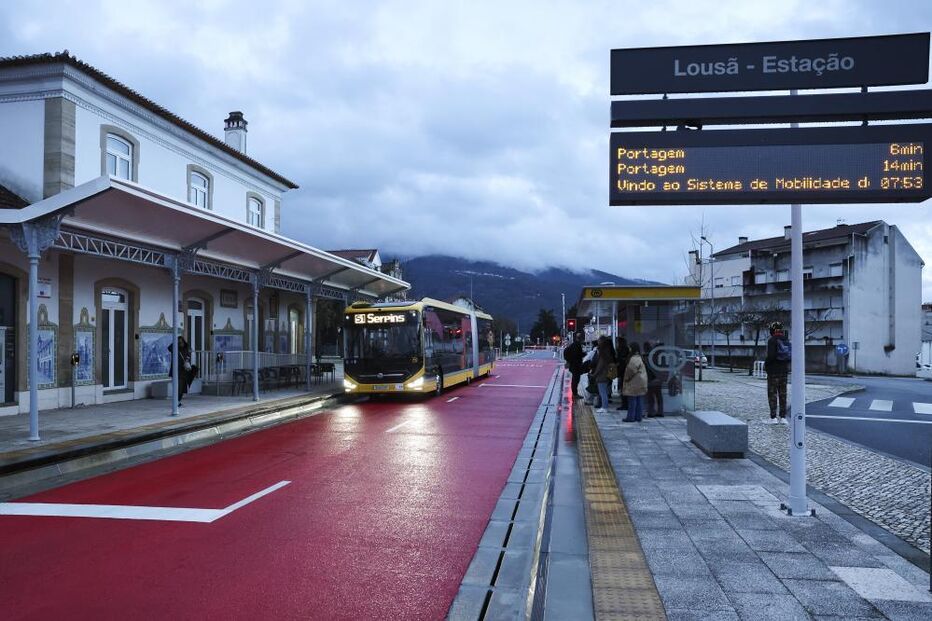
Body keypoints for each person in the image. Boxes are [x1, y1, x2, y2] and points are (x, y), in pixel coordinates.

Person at [764, 321, 790, 424]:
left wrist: (766, 365)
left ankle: (773, 417)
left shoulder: (772, 340)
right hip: (784, 371)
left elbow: (771, 356)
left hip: (773, 371)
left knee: (772, 394)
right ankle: (783, 417)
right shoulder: (785, 340)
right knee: (783, 394)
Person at [622, 342, 648, 422]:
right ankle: (638, 417)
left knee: (632, 400)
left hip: (634, 382)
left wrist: (626, 378)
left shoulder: (634, 358)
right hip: (641, 381)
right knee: (639, 399)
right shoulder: (640, 357)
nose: (629, 349)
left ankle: (631, 417)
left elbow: (631, 371)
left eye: (630, 347)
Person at [168, 336, 195, 405]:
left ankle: (178, 401)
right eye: (179, 342)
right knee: (178, 387)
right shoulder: (175, 348)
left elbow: (188, 355)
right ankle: (176, 402)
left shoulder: (186, 348)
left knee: (183, 388)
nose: (180, 343)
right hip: (176, 370)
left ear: (183, 342)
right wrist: (175, 343)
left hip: (184, 370)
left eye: (181, 342)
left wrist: (187, 360)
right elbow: (169, 348)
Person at [591, 336, 615, 413]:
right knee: (604, 391)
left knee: (602, 392)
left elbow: (600, 366)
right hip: (605, 374)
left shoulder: (603, 354)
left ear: (602, 342)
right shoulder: (608, 352)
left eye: (599, 341)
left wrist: (594, 374)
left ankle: (604, 407)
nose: (598, 342)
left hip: (602, 375)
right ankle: (604, 406)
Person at [644, 341, 664, 417]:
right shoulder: (662, 356)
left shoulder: (652, 356)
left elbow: (651, 368)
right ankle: (659, 411)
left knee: (651, 396)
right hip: (658, 378)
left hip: (653, 378)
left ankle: (651, 411)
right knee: (658, 395)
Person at [563, 332, 585, 398]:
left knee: (575, 379)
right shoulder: (577, 345)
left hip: (573, 365)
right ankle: (575, 394)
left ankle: (575, 393)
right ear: (581, 339)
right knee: (576, 379)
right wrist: (584, 354)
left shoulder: (574, 344)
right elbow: (577, 355)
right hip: (576, 365)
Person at [614, 337, 630, 412]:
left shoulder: (621, 350)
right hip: (624, 371)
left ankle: (625, 404)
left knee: (623, 388)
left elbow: (620, 361)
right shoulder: (626, 349)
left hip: (623, 372)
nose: (616, 343)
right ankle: (625, 404)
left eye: (617, 342)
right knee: (624, 388)